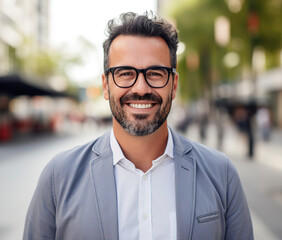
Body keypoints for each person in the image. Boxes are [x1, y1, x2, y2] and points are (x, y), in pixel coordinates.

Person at [23, 12, 253, 240]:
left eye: (155, 73)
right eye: (125, 73)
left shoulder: (221, 174)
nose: (141, 87)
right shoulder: (58, 177)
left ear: (173, 85)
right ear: (106, 85)